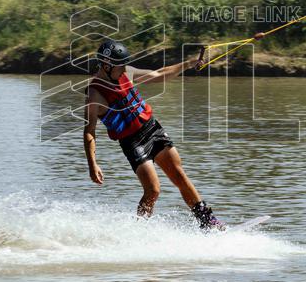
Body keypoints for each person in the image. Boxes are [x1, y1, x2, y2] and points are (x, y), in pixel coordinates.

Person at [83, 39, 225, 230]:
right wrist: (92, 164)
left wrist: (190, 63)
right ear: (107, 66)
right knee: (153, 190)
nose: (124, 69)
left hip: (152, 129)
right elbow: (89, 131)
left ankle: (207, 222)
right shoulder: (94, 95)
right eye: (120, 65)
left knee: (179, 175)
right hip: (132, 142)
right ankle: (140, 232)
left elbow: (159, 74)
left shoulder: (126, 72)